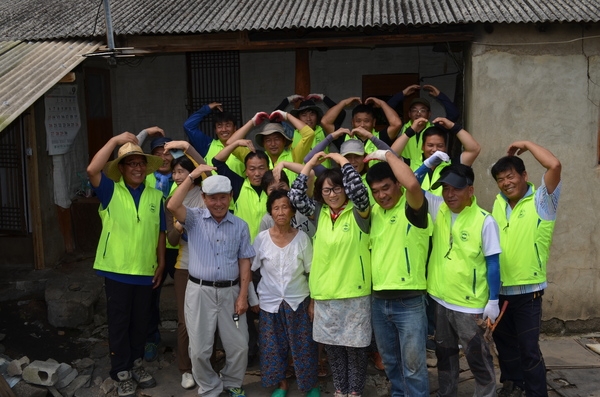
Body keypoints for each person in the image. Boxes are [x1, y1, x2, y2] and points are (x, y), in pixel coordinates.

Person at [86, 132, 166, 397]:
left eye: (141, 163)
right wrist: (115, 140)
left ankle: (136, 364)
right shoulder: (111, 191)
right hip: (118, 271)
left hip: (145, 271)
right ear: (121, 168)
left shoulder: (156, 196)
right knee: (119, 323)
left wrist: (161, 263)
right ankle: (120, 371)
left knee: (140, 323)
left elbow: (160, 233)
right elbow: (92, 169)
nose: (137, 168)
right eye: (131, 163)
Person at [289, 151, 371, 397]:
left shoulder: (359, 212)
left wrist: (343, 161)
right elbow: (294, 196)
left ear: (344, 190)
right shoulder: (319, 214)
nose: (332, 194)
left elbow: (359, 191)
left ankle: (354, 392)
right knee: (334, 347)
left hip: (354, 292)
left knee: (355, 348)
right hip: (325, 293)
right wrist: (310, 164)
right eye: (326, 190)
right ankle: (340, 390)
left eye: (337, 189)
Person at [167, 173, 255, 397]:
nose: (218, 203)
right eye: (213, 198)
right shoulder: (194, 218)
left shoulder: (240, 226)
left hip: (231, 291)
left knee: (239, 346)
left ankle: (233, 382)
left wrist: (243, 295)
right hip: (199, 292)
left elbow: (245, 261)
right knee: (199, 349)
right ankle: (209, 386)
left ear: (231, 197)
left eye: (223, 197)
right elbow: (173, 204)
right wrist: (192, 176)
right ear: (204, 198)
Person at [490, 141, 562, 397]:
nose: (506, 183)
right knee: (504, 346)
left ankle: (535, 393)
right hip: (499, 291)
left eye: (510, 176)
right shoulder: (499, 203)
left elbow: (554, 165)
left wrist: (528, 145)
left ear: (524, 176)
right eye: (500, 179)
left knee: (529, 350)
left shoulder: (542, 201)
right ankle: (513, 385)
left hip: (528, 293)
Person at [425, 164, 501, 397]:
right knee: (445, 355)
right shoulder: (440, 209)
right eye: (445, 189)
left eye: (456, 189)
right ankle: (446, 393)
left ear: (471, 190)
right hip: (440, 298)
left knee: (477, 356)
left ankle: (486, 394)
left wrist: (493, 301)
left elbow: (493, 263)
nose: (449, 195)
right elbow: (411, 185)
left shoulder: (484, 220)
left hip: (469, 305)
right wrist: (428, 164)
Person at [363, 150, 432, 397]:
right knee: (391, 363)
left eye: (386, 188)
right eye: (376, 191)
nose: (382, 195)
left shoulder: (413, 208)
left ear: (397, 185)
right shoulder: (375, 213)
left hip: (410, 302)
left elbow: (413, 183)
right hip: (379, 301)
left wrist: (387, 155)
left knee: (413, 367)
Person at [252, 189, 320, 397]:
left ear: (292, 211)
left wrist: (313, 302)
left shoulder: (302, 239)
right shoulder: (262, 239)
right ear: (270, 213)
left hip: (298, 300)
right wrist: (252, 298)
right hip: (269, 301)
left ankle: (309, 386)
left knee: (304, 346)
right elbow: (249, 269)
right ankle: (281, 384)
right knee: (273, 346)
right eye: (275, 208)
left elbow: (312, 273)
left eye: (284, 207)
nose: (280, 212)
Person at [162, 141, 209, 389]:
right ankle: (185, 369)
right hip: (185, 265)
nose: (177, 176)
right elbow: (171, 238)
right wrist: (181, 223)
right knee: (184, 320)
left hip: (210, 264)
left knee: (208, 319)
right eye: (175, 172)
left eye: (182, 171)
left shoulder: (206, 192)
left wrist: (188, 147)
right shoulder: (171, 201)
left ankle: (207, 367)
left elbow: (206, 168)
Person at [305, 127, 394, 205]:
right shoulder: (336, 179)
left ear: (364, 156)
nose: (352, 161)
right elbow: (308, 160)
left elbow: (394, 159)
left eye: (357, 156)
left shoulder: (373, 176)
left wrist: (370, 136)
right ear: (340, 159)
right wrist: (330, 137)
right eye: (347, 157)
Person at [392, 117, 480, 195]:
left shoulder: (453, 165)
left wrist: (453, 126)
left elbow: (474, 149)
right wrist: (411, 130)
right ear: (422, 147)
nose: (435, 149)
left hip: (444, 213)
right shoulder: (411, 164)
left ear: (445, 147)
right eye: (430, 145)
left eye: (440, 146)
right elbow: (392, 155)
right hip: (416, 212)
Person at [226, 110, 315, 184]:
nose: (273, 144)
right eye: (268, 140)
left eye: (277, 139)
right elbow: (229, 144)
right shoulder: (255, 158)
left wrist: (287, 116)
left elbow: (309, 134)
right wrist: (252, 122)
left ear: (284, 141)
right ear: (263, 143)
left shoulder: (294, 155)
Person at [387, 84, 460, 170]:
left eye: (423, 110)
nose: (418, 113)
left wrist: (440, 96)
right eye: (414, 110)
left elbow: (454, 114)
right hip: (406, 170)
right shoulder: (401, 128)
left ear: (429, 114)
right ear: (409, 114)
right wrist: (402, 94)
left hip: (430, 170)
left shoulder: (435, 129)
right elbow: (387, 110)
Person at [212, 139, 270, 242]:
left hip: (269, 249)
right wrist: (236, 143)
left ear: (268, 169)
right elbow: (217, 162)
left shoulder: (274, 189)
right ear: (246, 171)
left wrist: (283, 164)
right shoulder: (238, 185)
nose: (257, 173)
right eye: (252, 169)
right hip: (242, 248)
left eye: (261, 168)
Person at [184, 102, 246, 176]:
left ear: (235, 128)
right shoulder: (207, 145)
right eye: (219, 126)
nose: (224, 129)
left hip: (238, 187)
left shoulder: (243, 147)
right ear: (215, 130)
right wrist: (207, 108)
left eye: (228, 125)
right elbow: (188, 126)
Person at [320, 97, 402, 149]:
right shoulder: (344, 137)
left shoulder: (380, 137)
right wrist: (343, 103)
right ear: (352, 122)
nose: (362, 125)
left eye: (366, 121)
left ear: (374, 122)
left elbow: (396, 124)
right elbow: (325, 122)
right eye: (358, 121)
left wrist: (382, 103)